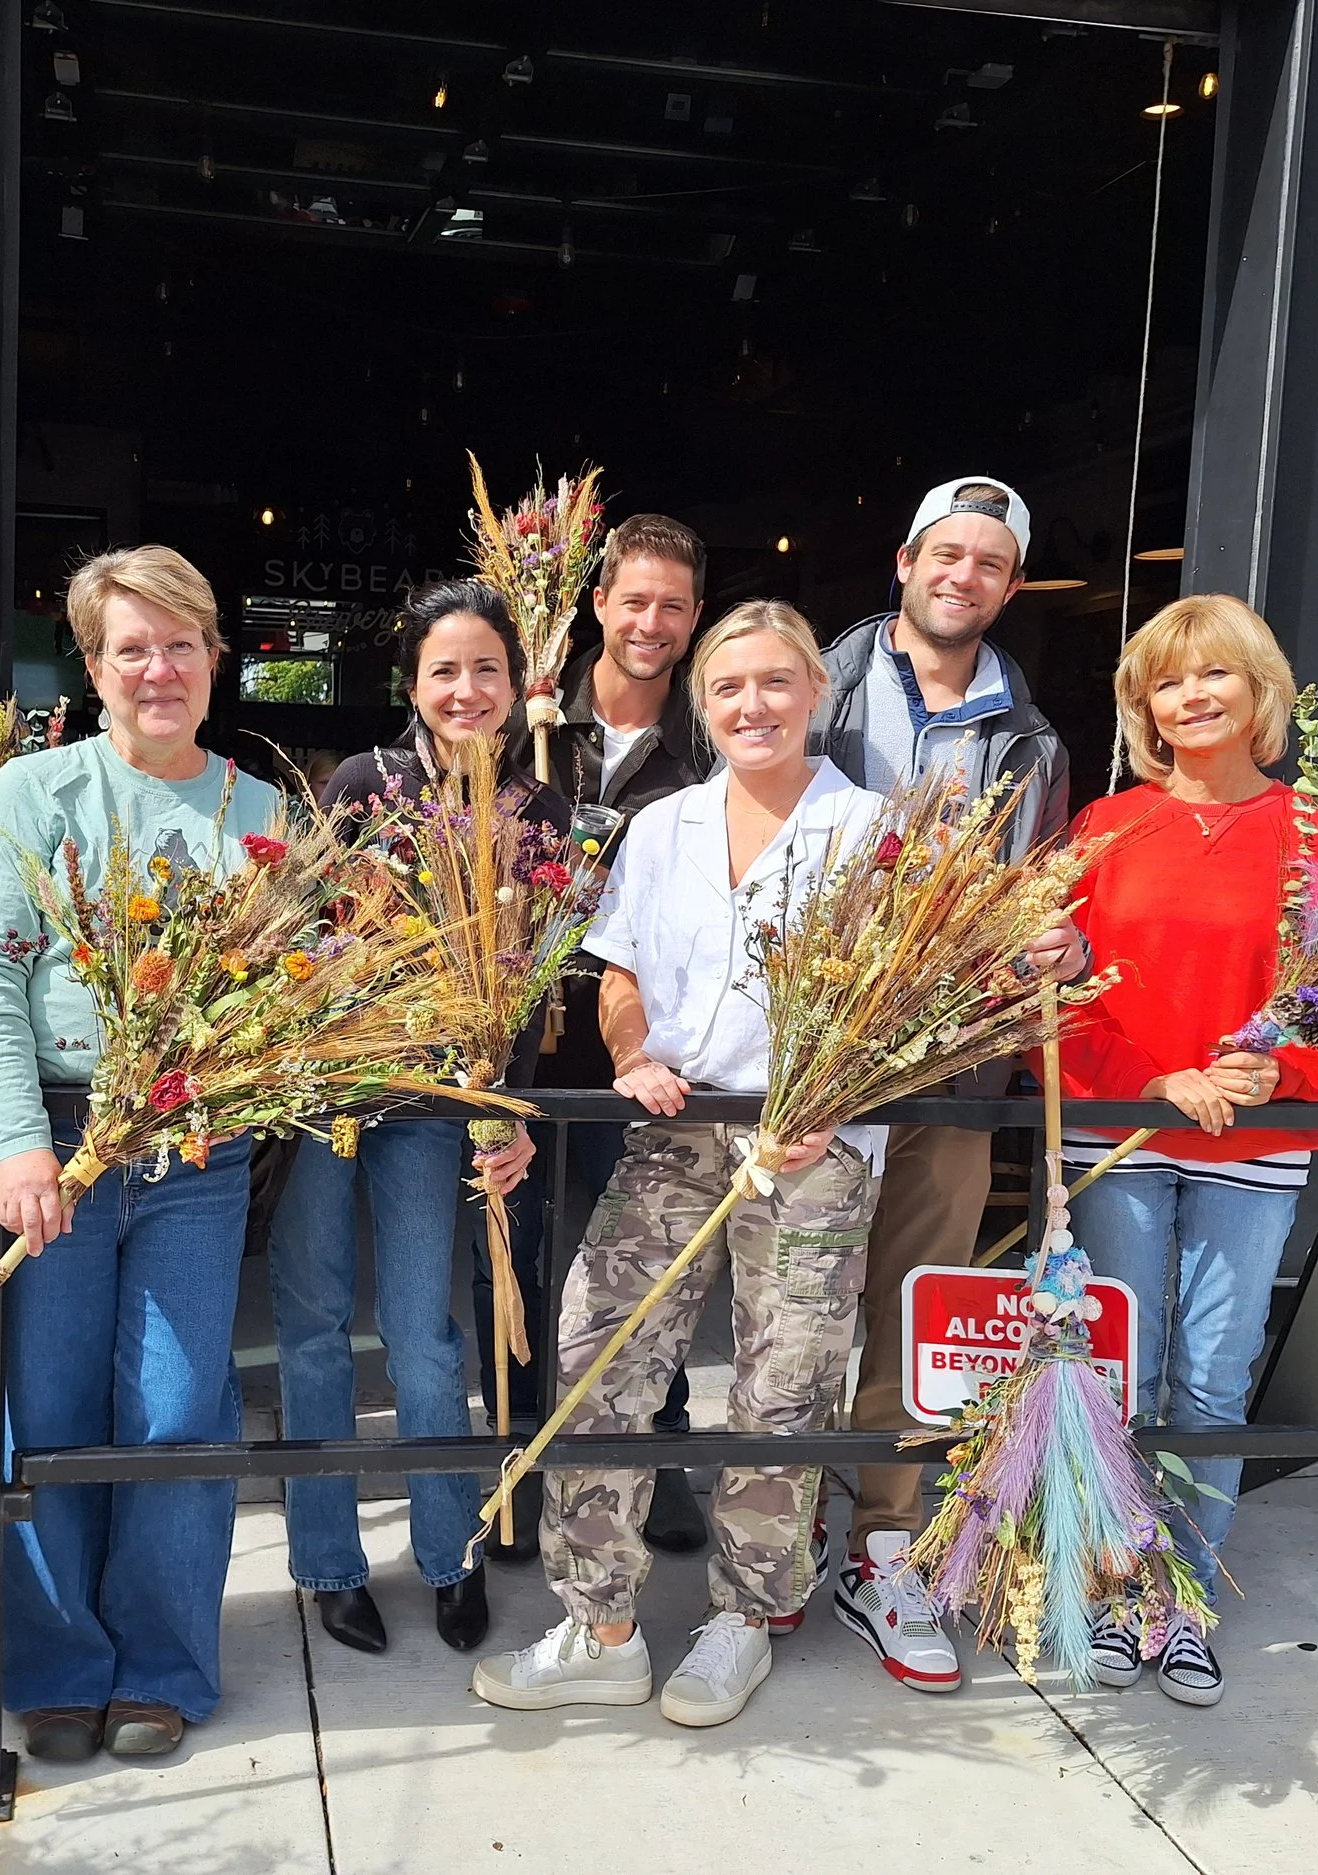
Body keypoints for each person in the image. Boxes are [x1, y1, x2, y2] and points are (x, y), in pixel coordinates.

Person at [471, 600, 887, 1730]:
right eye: (728, 687)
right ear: (703, 706)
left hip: (813, 1142)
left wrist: (837, 1099)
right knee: (598, 1348)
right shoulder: (664, 828)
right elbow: (615, 973)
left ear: (817, 691)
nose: (751, 705)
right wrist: (629, 1054)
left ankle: (742, 1620)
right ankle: (600, 1622)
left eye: (774, 682)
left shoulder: (877, 831)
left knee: (782, 1387)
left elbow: (911, 1005)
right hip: (676, 1127)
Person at [0, 545, 280, 1765]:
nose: (158, 668)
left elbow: (279, 994)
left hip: (194, 1151)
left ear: (214, 655)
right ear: (91, 668)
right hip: (61, 1141)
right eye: (130, 647)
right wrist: (21, 1144)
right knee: (53, 1404)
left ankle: (162, 1665)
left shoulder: (258, 813)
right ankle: (59, 1667)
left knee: (180, 1409)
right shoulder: (34, 795)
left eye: (180, 641)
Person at [1057, 593, 1318, 1707]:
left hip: (1252, 1142)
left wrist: (1284, 1072)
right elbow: (1044, 996)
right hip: (1124, 1131)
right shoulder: (1102, 829)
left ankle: (1184, 1600)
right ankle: (1117, 1587)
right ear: (1143, 705)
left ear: (1260, 693)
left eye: (1215, 675)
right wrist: (1151, 1078)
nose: (1192, 697)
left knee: (1210, 1377)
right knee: (1122, 1368)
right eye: (1168, 681)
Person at [808, 476, 1079, 1691]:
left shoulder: (1031, 741)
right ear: (904, 561)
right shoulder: (809, 687)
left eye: (987, 564)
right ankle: (768, 1537)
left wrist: (1049, 950)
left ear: (1007, 587)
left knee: (917, 1292)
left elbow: (1043, 896)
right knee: (794, 1293)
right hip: (813, 1050)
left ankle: (877, 1538)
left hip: (958, 1058)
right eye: (945, 554)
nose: (960, 577)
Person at [267, 578, 555, 1657]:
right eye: (445, 669)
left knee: (429, 1341)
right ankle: (330, 1563)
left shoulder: (538, 811)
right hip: (333, 1099)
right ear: (412, 684)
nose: (465, 688)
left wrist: (507, 1110)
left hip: (444, 1109)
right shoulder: (365, 784)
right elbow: (306, 928)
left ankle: (450, 1553)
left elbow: (531, 982)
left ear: (518, 684)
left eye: (487, 668)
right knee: (312, 1325)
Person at [481, 513, 715, 1563]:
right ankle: (522, 1465)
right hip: (524, 1044)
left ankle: (654, 1456)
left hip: (644, 1049)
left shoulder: (704, 752)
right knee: (521, 1259)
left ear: (693, 616)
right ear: (596, 606)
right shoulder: (530, 731)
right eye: (634, 601)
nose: (651, 623)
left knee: (640, 1261)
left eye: (672, 605)